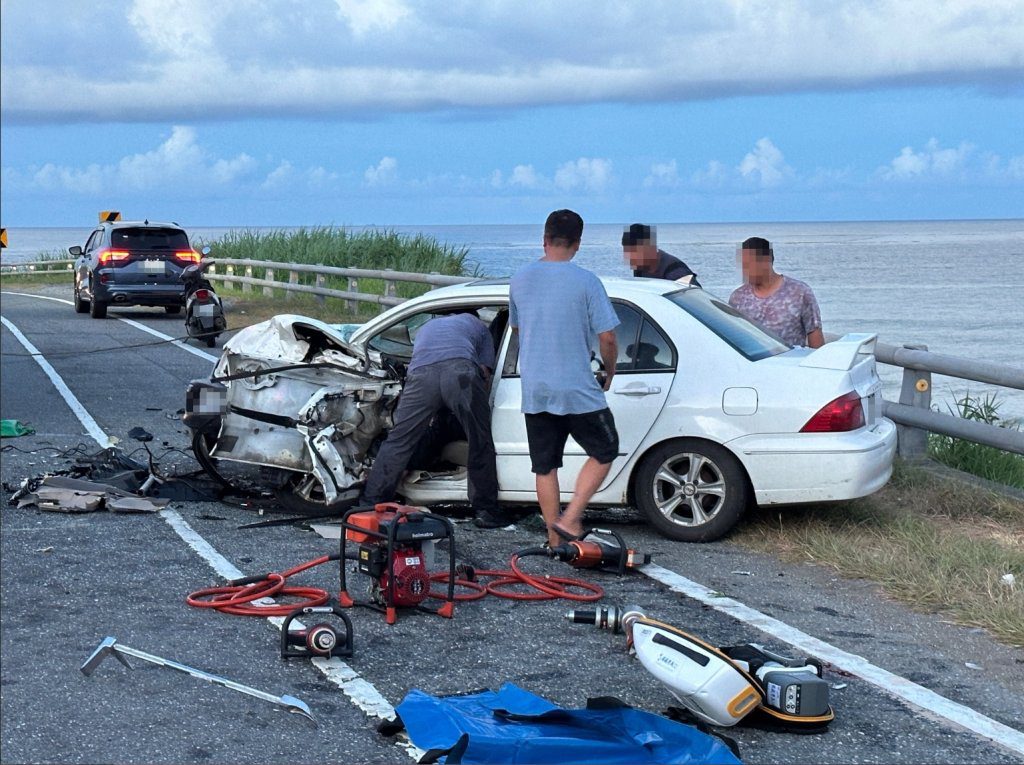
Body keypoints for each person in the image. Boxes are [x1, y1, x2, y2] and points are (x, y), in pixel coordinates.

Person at [509, 209, 620, 547]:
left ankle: (553, 540)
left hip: (535, 388)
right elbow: (608, 338)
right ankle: (570, 519)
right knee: (605, 449)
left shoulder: (520, 279)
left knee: (545, 466)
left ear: (544, 239)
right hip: (576, 387)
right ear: (578, 244)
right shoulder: (587, 281)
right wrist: (610, 369)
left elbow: (516, 327)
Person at [359, 309, 507, 528]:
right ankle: (486, 511)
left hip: (420, 376)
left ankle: (370, 504)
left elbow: (424, 363)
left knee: (400, 440)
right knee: (479, 440)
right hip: (460, 371)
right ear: (474, 316)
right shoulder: (479, 328)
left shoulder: (427, 328)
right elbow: (484, 373)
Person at [729, 236, 824, 348]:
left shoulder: (799, 292)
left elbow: (814, 335)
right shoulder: (738, 298)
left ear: (766, 261)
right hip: (752, 364)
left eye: (748, 264)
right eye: (743, 265)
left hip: (789, 363)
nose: (744, 270)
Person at [622, 223, 700, 286]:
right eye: (628, 252)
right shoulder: (640, 268)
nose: (630, 258)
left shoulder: (676, 271)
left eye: (635, 252)